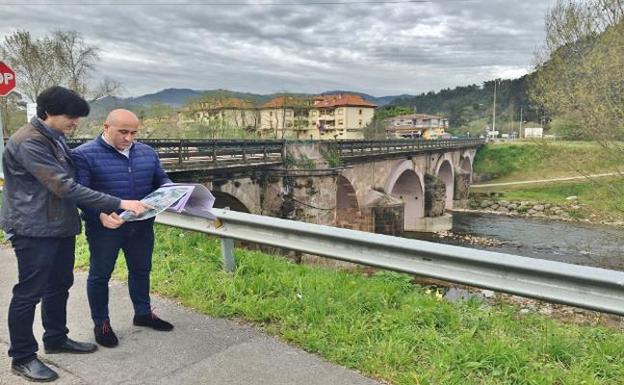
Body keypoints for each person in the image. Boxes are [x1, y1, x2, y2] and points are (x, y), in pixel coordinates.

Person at [0, 86, 149, 382]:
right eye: (70, 117)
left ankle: (56, 338)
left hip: (58, 226)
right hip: (33, 229)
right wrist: (118, 202)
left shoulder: (53, 139)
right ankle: (23, 356)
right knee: (29, 292)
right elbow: (64, 185)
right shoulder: (28, 142)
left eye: (77, 118)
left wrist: (99, 210)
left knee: (60, 284)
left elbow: (70, 185)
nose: (75, 122)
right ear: (47, 113)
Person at [72, 109, 174, 349]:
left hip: (141, 225)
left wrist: (172, 190)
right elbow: (79, 193)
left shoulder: (147, 153)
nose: (129, 138)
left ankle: (143, 313)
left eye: (134, 133)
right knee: (100, 275)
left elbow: (162, 179)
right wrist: (98, 215)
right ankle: (102, 323)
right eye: (123, 132)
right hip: (105, 227)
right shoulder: (83, 155)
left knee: (141, 270)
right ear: (106, 127)